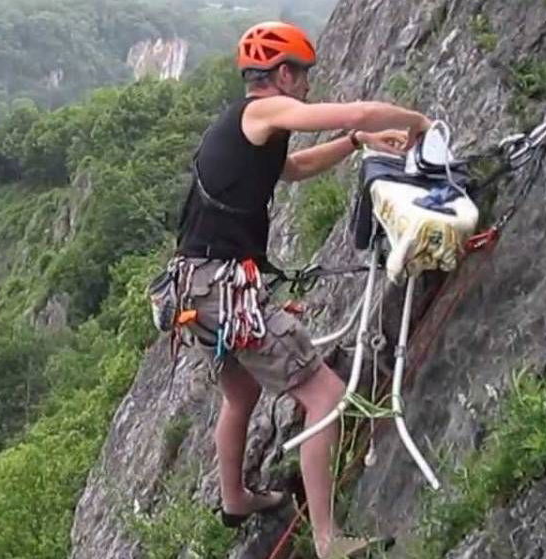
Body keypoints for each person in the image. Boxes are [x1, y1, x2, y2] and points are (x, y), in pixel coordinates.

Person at [173, 21, 432, 559]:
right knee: (326, 395)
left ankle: (235, 498)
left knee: (241, 393)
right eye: (305, 76)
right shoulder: (263, 111)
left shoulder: (249, 130)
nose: (309, 85)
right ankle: (328, 540)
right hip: (224, 289)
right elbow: (356, 109)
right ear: (283, 75)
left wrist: (355, 144)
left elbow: (290, 169)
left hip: (194, 288)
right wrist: (418, 123)